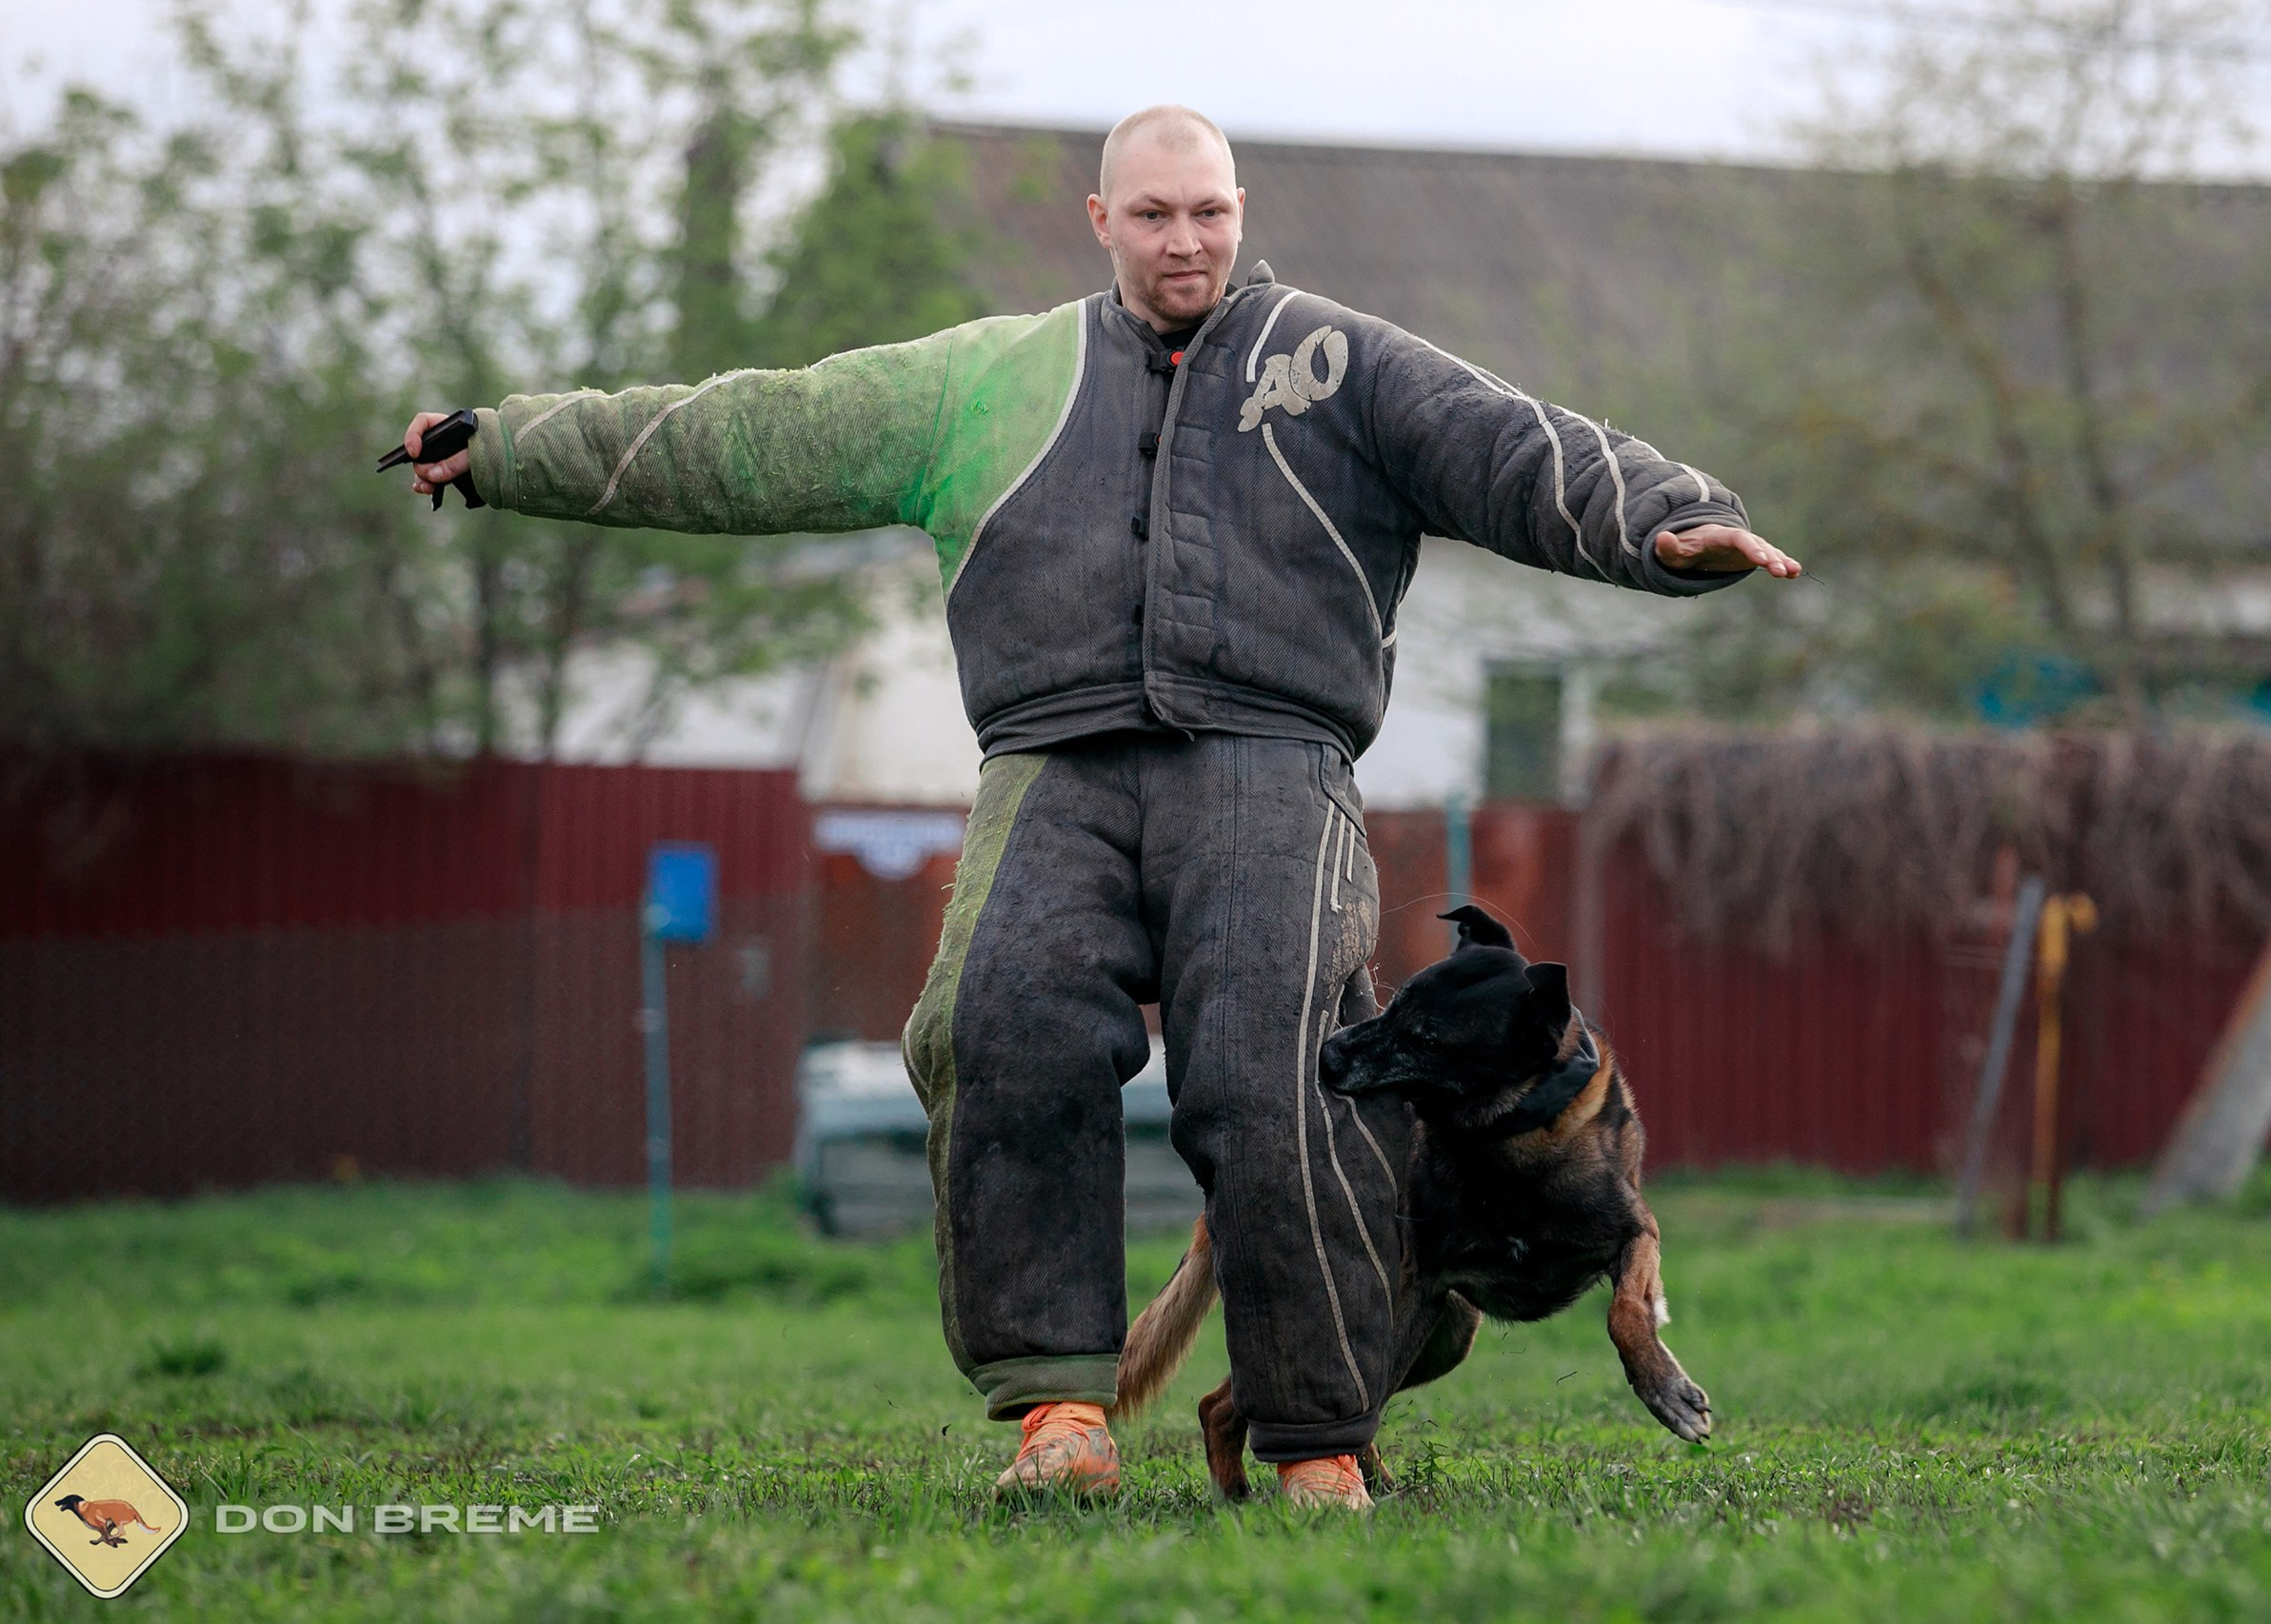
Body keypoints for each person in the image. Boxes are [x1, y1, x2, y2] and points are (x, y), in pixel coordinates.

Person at [402, 104, 1801, 1511]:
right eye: (1153, 215)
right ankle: (1059, 1412)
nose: (1184, 240)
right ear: (1100, 220)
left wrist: (1661, 519)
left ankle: (1318, 1434)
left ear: (1240, 209)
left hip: (1273, 765)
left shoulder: (1340, 363)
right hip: (1049, 770)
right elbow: (752, 430)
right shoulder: (987, 380)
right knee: (993, 1023)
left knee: (1280, 1077)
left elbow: (1510, 445)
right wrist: (511, 447)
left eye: (1207, 212)